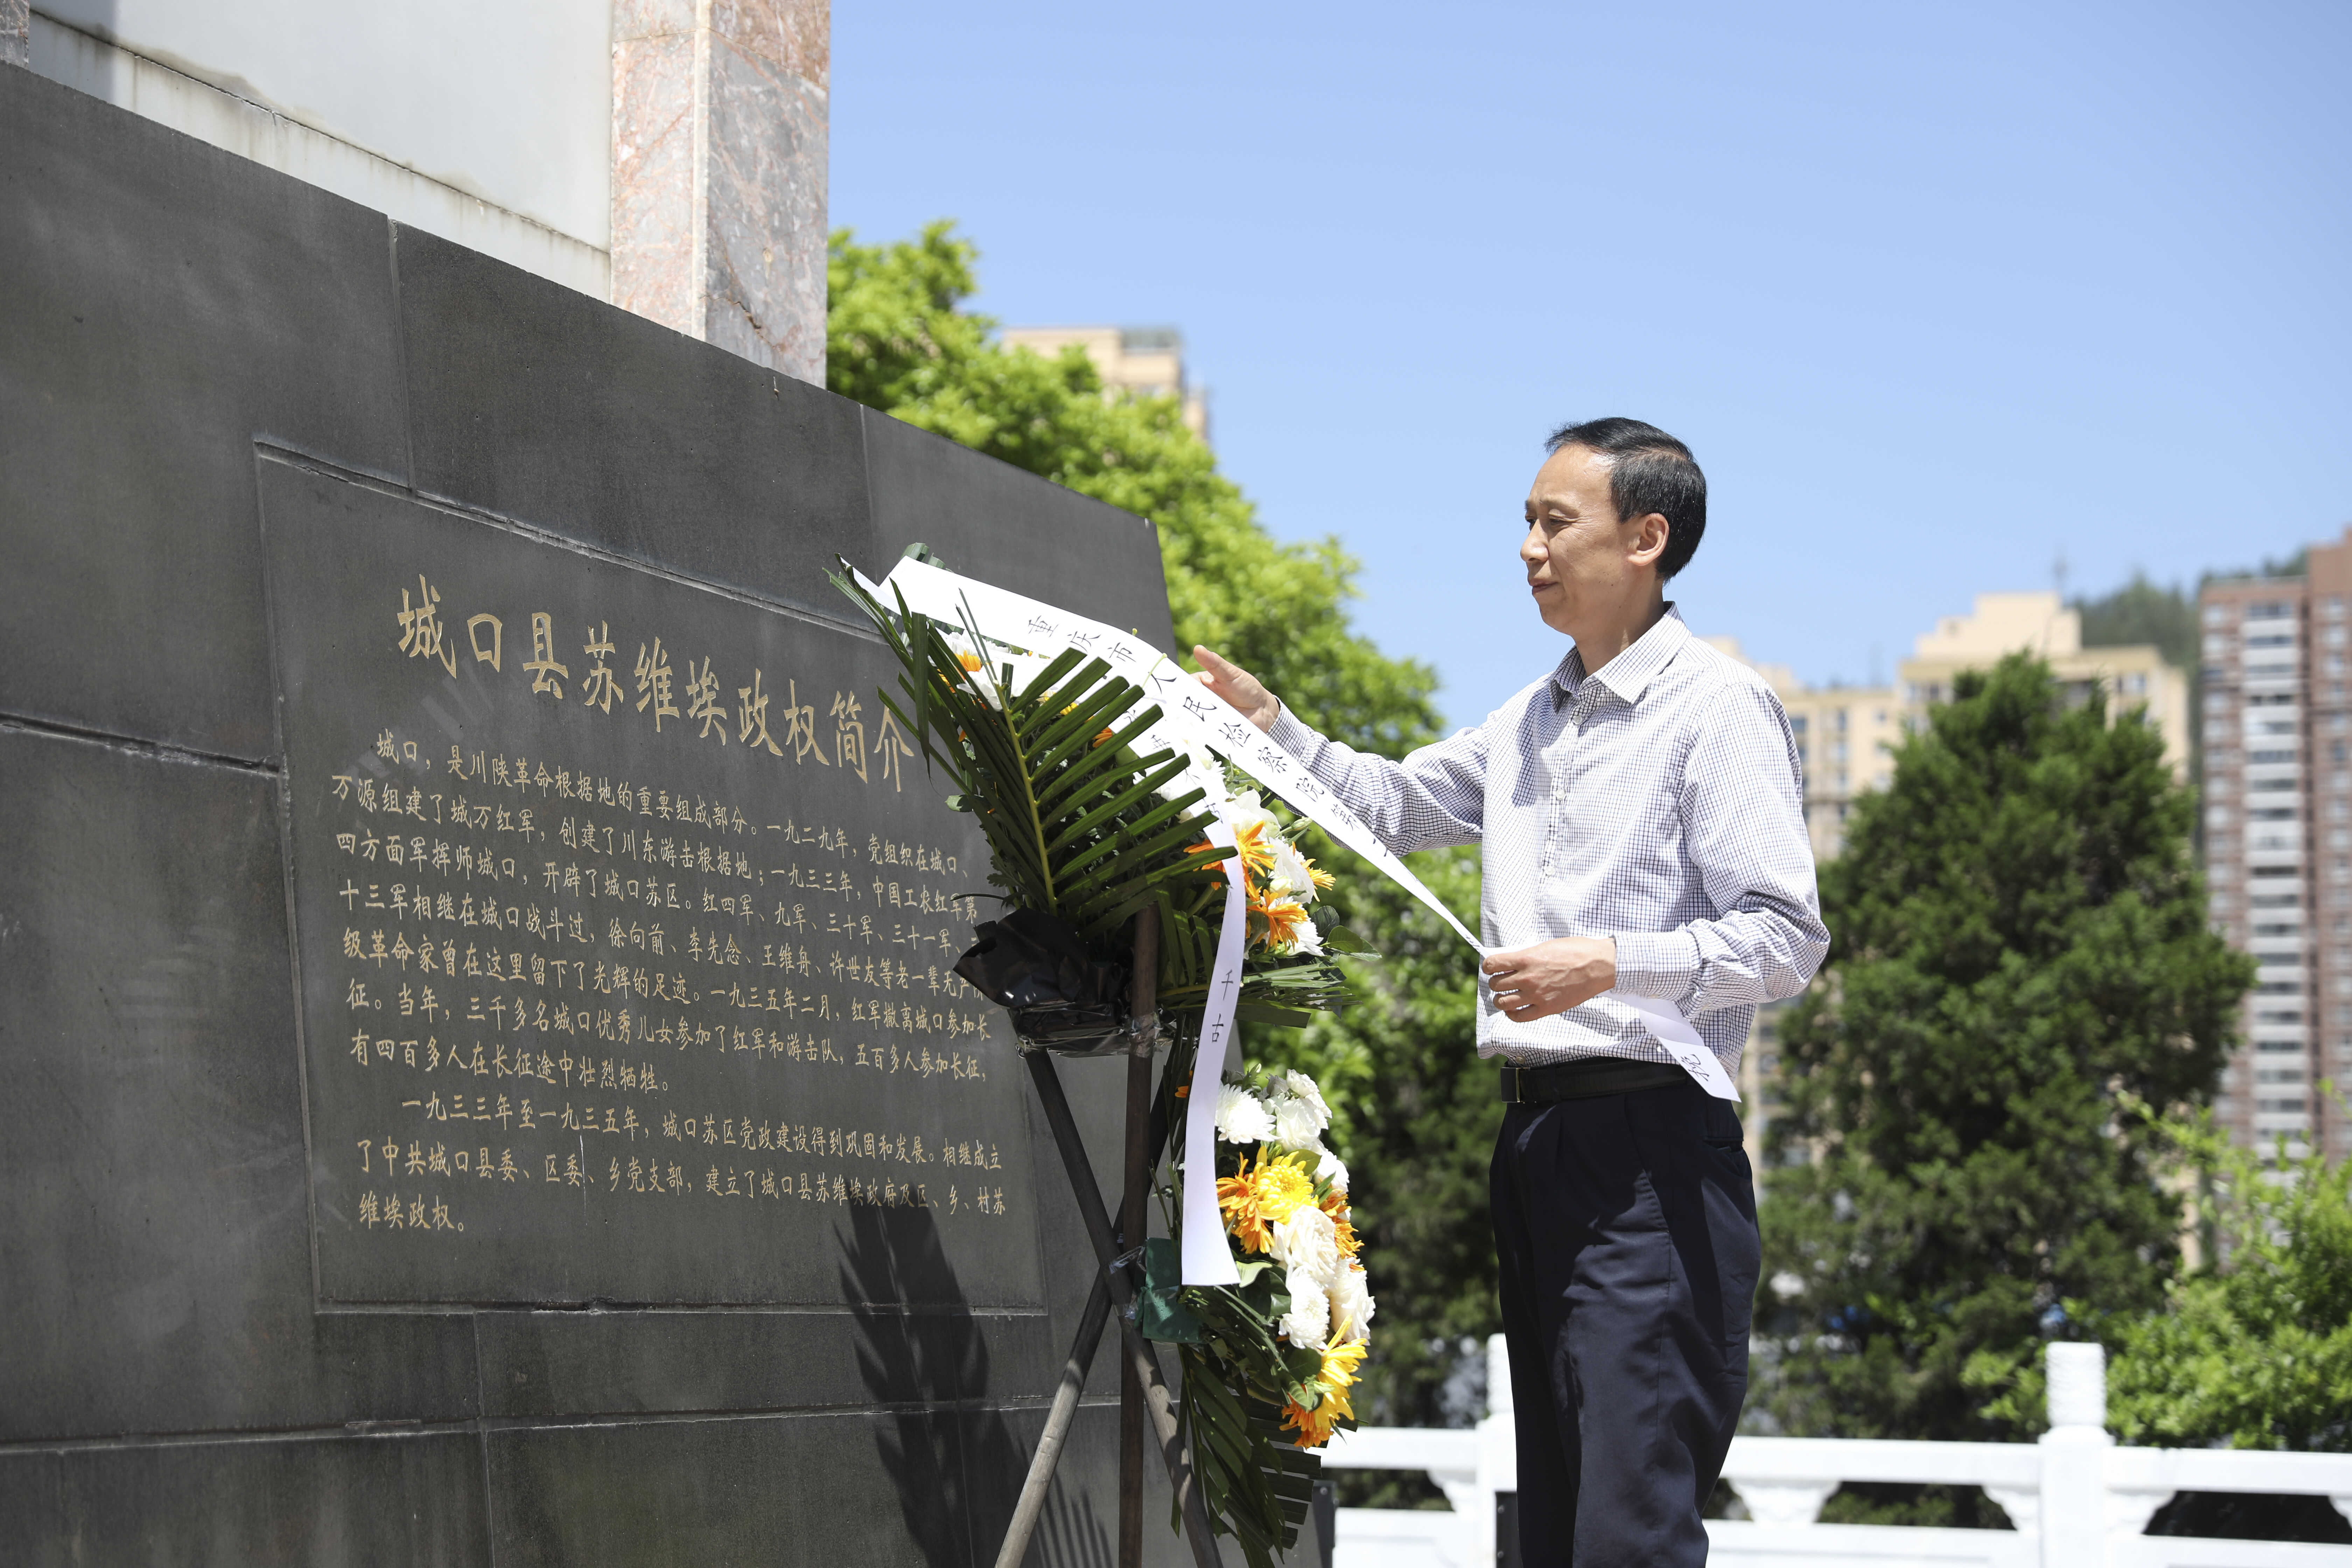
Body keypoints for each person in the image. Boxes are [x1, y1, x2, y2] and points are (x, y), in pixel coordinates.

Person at [1194, 416, 1828, 1565]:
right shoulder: (1532, 716)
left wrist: (1610, 961)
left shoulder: (1718, 708)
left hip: (1652, 1154)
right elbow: (1392, 809)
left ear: (1646, 538)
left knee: (1627, 1528)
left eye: (1555, 522)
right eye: (1526, 523)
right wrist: (1272, 729)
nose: (1529, 548)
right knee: (1553, 1528)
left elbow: (1786, 939)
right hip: (1535, 1144)